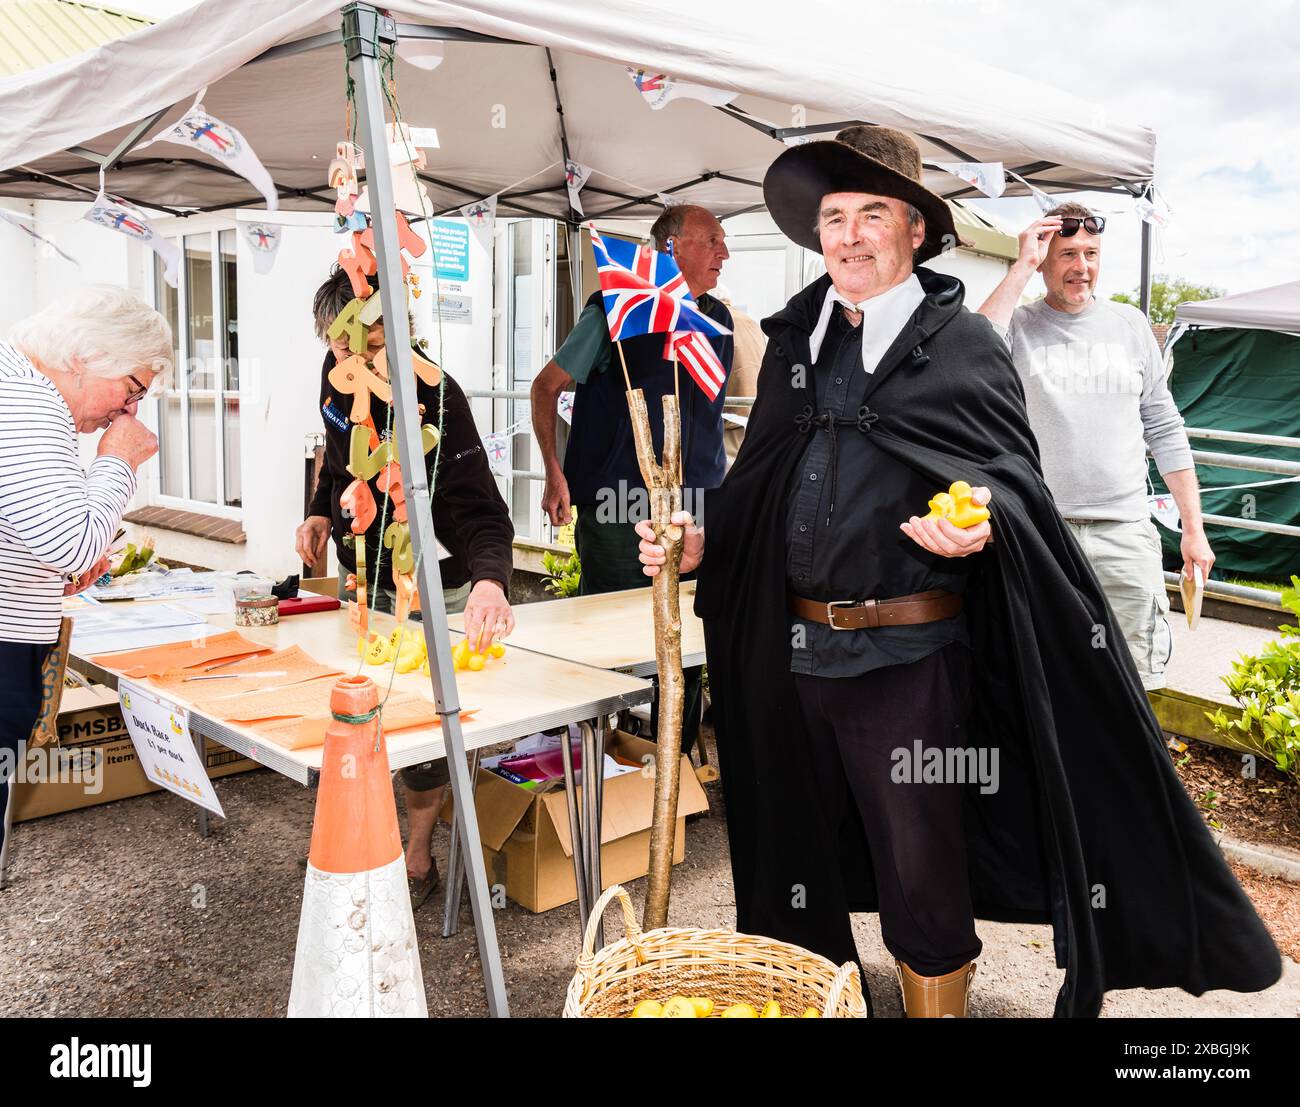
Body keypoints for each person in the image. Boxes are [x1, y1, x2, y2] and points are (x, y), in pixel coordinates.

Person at [638, 125, 1279, 1017]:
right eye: (833, 217)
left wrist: (981, 533)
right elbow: (759, 481)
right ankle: (813, 998)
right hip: (788, 654)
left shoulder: (967, 345)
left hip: (909, 662)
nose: (849, 235)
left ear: (914, 231)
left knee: (921, 866)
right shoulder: (792, 341)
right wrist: (705, 539)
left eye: (872, 214)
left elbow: (1013, 488)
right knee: (791, 851)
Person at [294, 268, 515, 907]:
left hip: (436, 580)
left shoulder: (439, 397)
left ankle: (416, 860)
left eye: (369, 348)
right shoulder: (335, 380)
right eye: (341, 349)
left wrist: (489, 583)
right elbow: (335, 460)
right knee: (354, 711)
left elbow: (482, 511)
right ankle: (358, 844)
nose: (354, 361)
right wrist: (317, 508)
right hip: (363, 577)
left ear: (401, 331)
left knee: (421, 723)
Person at [977, 203, 1211, 689]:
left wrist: (1194, 529)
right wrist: (1019, 267)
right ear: (1044, 259)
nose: (1081, 267)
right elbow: (970, 350)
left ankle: (1126, 767)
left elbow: (1164, 426)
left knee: (1133, 678)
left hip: (1125, 532)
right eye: (1066, 254)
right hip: (1041, 531)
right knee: (1040, 674)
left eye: (1091, 253)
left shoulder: (1131, 325)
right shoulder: (1017, 324)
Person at [530, 205, 732, 756]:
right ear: (671, 250)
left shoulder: (719, 320)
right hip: (620, 506)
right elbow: (545, 387)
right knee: (614, 638)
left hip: (698, 505)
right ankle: (602, 763)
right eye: (712, 240)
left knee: (689, 635)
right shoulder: (613, 313)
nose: (724, 253)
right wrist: (553, 470)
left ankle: (675, 765)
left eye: (724, 242)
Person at [1, 285, 166, 859]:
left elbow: (43, 537)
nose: (128, 411)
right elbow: (71, 544)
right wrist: (119, 459)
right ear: (85, 357)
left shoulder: (16, 382)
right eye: (132, 389)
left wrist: (43, 572)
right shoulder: (30, 401)